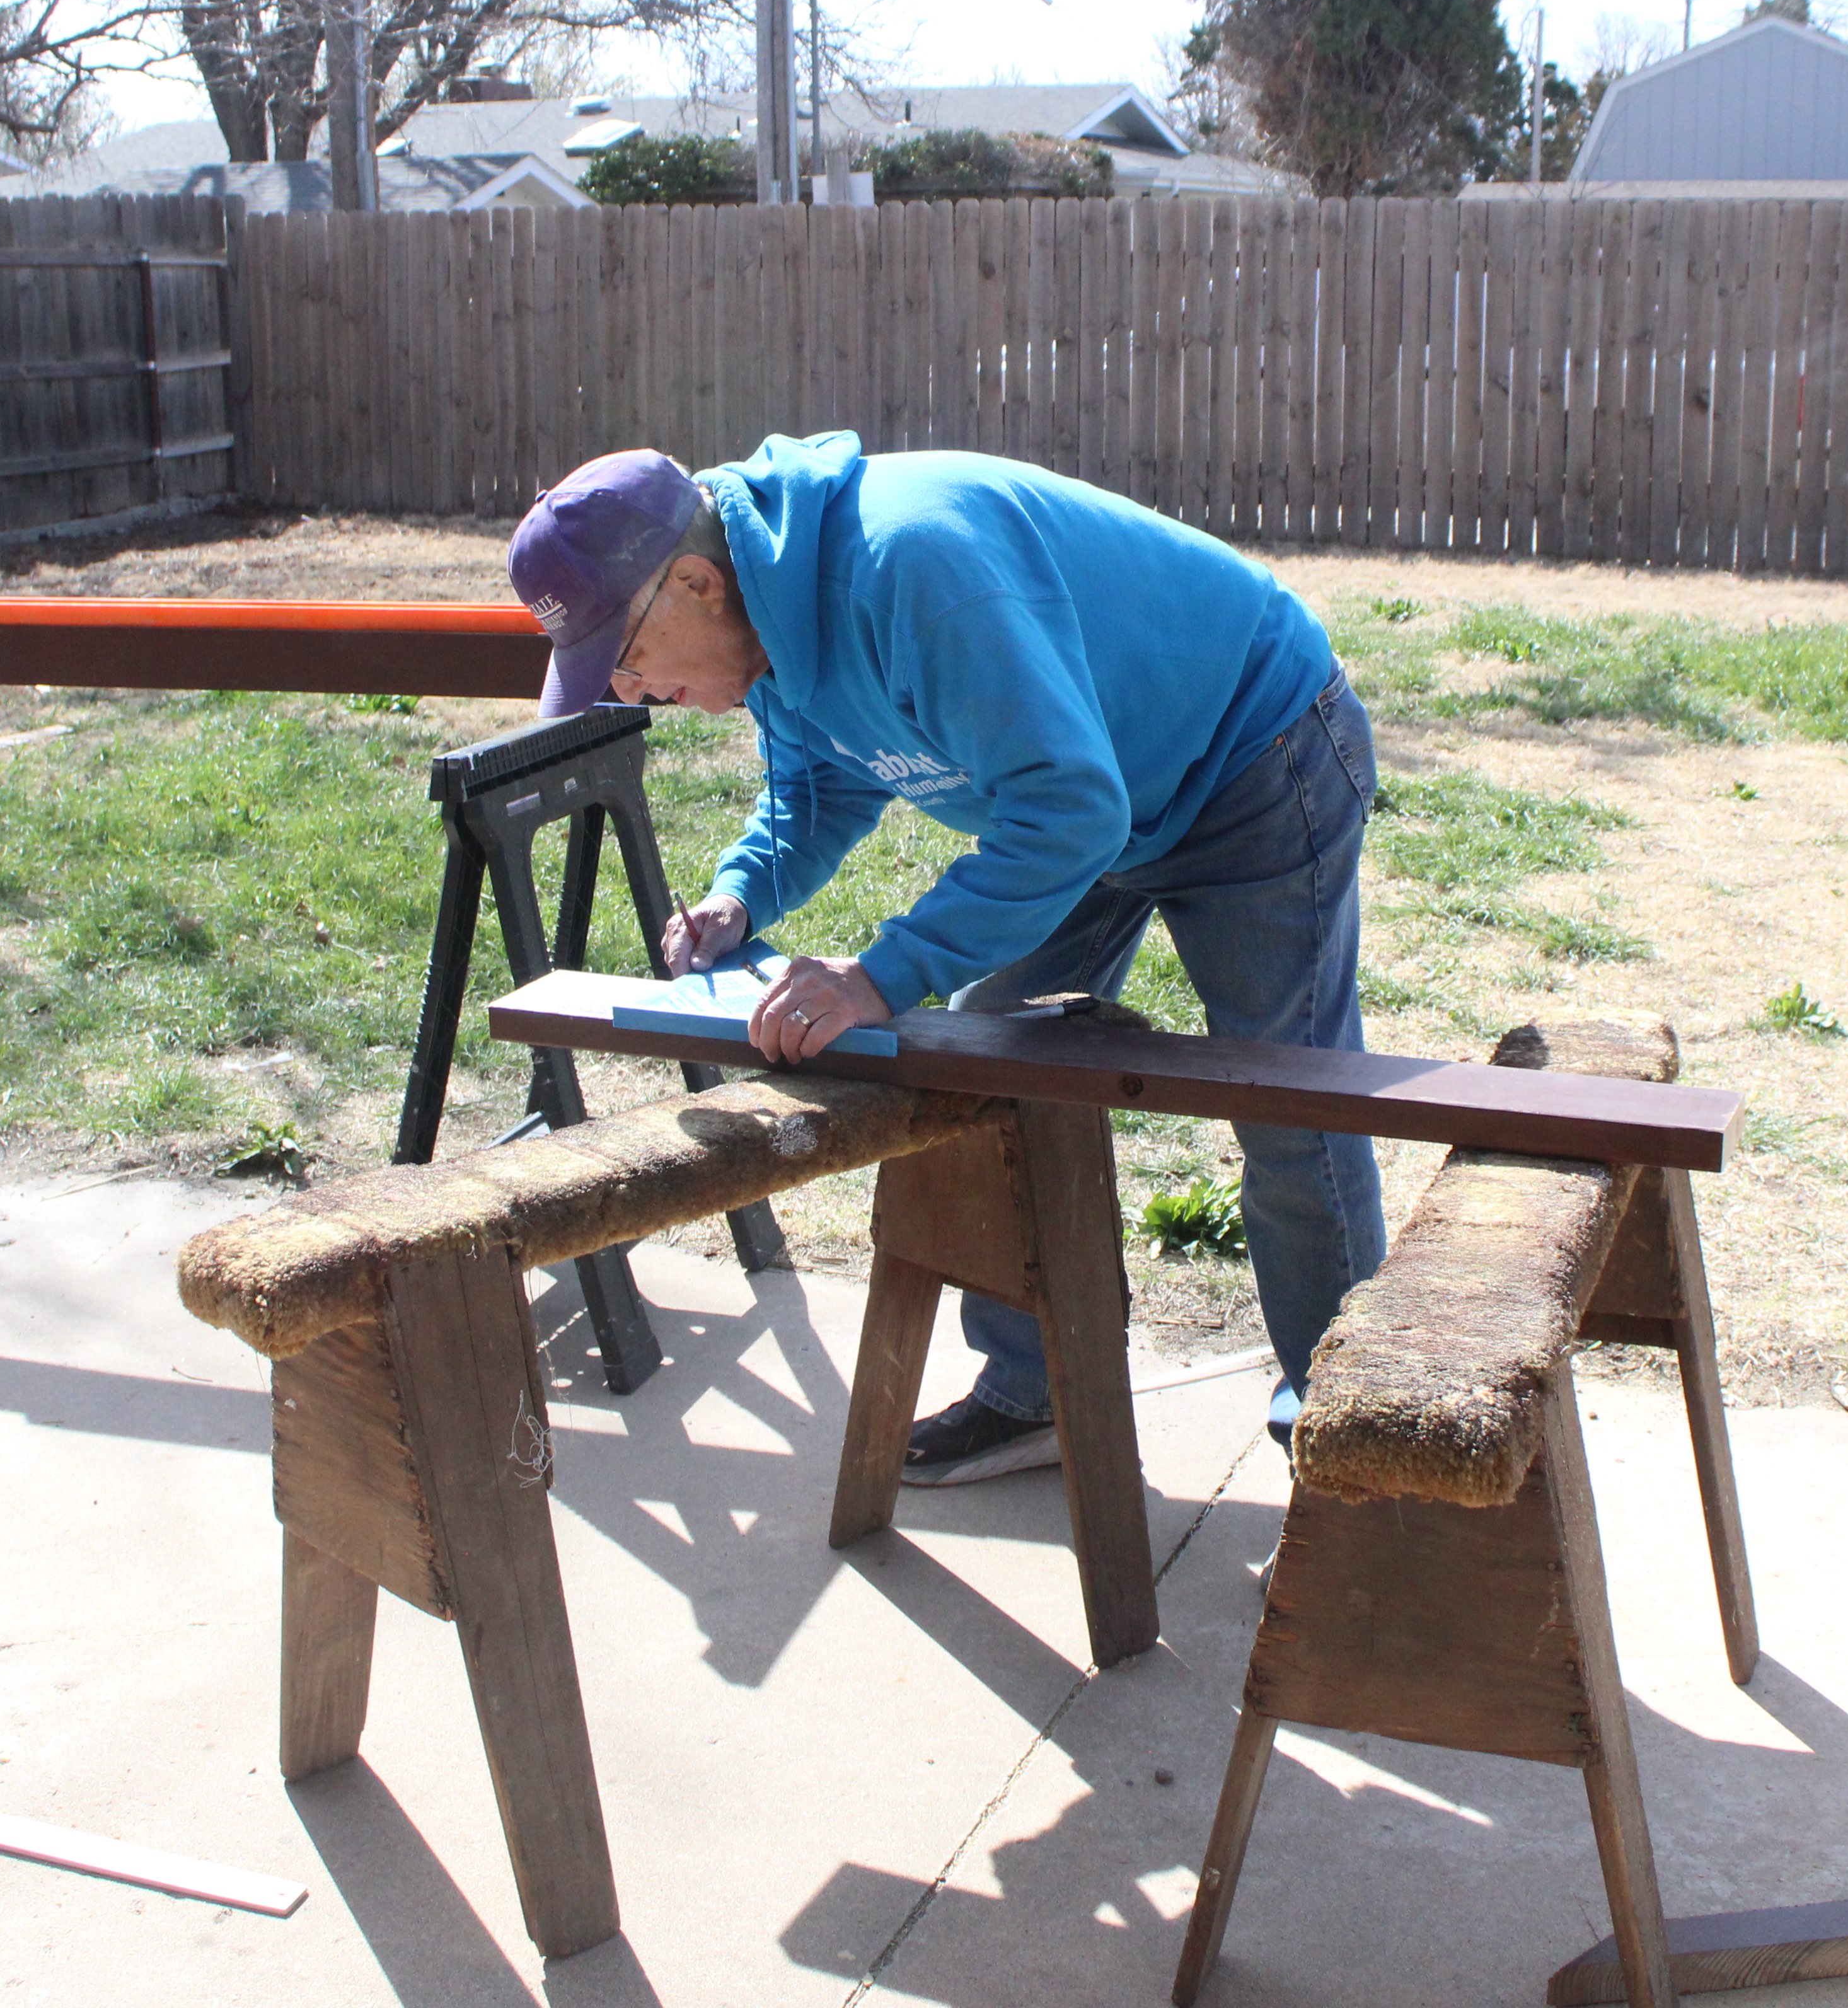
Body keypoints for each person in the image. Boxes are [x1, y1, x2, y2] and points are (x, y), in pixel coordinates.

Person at [508, 432, 1385, 1486]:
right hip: (1089, 783)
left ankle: (1352, 1431)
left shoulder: (910, 565)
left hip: (1253, 752)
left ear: (696, 582)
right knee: (992, 1072)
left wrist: (881, 976)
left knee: (1286, 1094)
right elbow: (820, 788)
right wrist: (744, 895)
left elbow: (1069, 808)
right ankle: (1037, 1391)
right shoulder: (766, 624)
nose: (634, 688)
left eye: (628, 657)